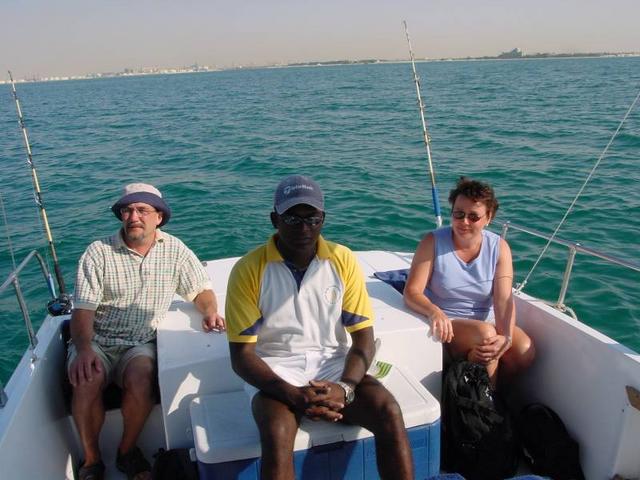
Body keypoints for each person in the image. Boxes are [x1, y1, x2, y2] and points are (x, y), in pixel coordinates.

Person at [225, 175, 414, 480]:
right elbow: (242, 356)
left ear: (323, 219)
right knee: (276, 432)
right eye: (292, 218)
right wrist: (292, 394)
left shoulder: (342, 260)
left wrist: (346, 388)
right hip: (276, 368)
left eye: (312, 218)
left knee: (388, 411)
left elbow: (364, 341)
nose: (303, 227)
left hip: (333, 365)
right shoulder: (249, 269)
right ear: (274, 219)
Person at [67, 183, 225, 480]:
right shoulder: (98, 252)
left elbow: (200, 290)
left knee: (141, 378)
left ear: (159, 218)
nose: (133, 217)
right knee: (86, 379)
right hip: (97, 339)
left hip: (140, 343)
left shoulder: (175, 250)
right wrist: (84, 348)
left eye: (142, 210)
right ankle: (92, 460)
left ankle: (127, 452)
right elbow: (83, 310)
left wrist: (210, 311)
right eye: (127, 210)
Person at [404, 177, 535, 386]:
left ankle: (490, 397)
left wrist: (507, 337)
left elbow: (503, 300)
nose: (464, 222)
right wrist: (434, 311)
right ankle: (487, 411)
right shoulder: (432, 242)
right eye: (459, 214)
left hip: (486, 322)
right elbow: (412, 292)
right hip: (448, 323)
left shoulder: (499, 248)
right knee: (486, 337)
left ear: (488, 217)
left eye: (473, 217)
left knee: (524, 350)